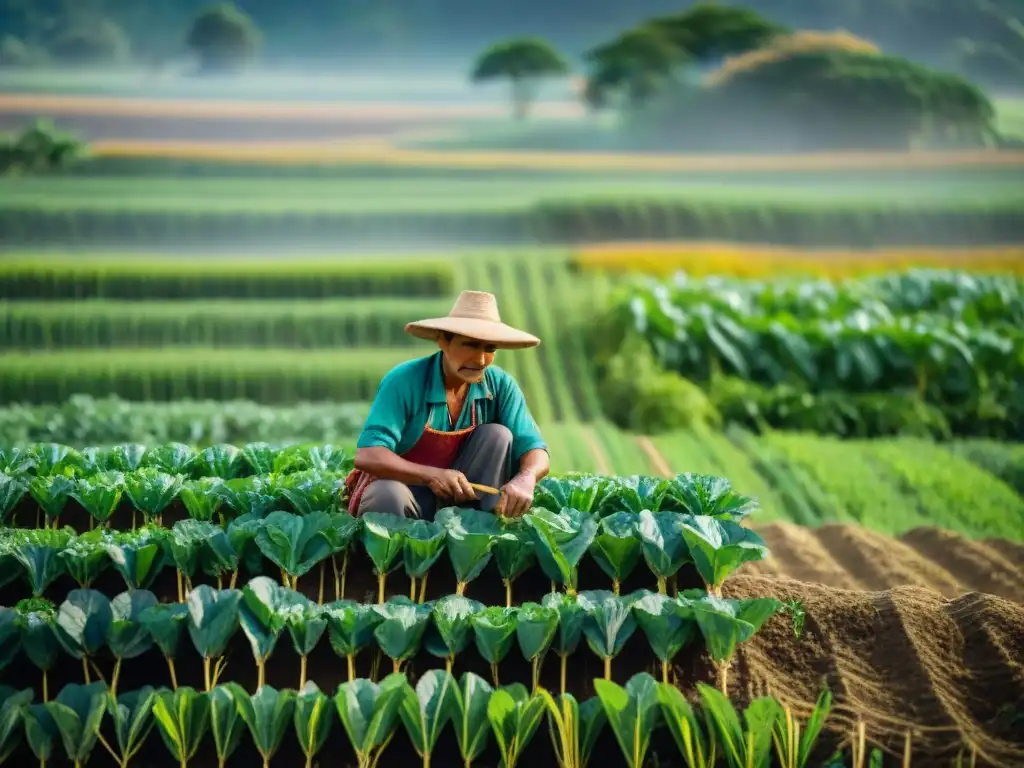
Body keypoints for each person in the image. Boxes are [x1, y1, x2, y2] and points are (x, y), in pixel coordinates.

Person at [345, 290, 549, 521]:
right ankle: (396, 555)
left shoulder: (500, 384)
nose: (480, 360)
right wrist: (432, 475)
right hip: (406, 495)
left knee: (498, 435)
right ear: (443, 341)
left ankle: (477, 538)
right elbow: (368, 455)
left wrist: (526, 478)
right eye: (470, 345)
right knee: (385, 494)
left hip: (468, 504)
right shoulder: (404, 381)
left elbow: (536, 449)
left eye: (489, 349)